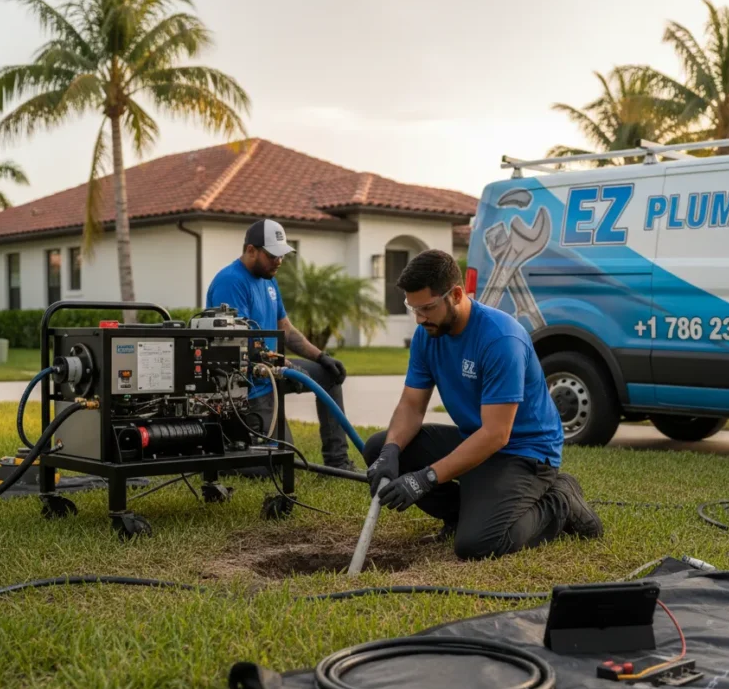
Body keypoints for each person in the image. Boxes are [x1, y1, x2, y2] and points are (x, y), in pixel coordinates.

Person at [363, 249, 603, 560]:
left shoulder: (501, 339)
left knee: (478, 544)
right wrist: (390, 452)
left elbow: (496, 435)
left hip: (523, 452)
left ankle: (561, 500)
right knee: (378, 446)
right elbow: (411, 406)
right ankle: (462, 514)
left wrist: (426, 478)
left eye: (427, 308)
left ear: (457, 294)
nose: (419, 319)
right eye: (413, 308)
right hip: (475, 440)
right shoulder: (428, 334)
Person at [205, 218, 357, 472]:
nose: (279, 261)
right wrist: (285, 365)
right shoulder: (230, 282)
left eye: (282, 255)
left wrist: (321, 357)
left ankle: (338, 461)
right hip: (246, 386)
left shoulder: (268, 279)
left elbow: (284, 328)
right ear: (251, 250)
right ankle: (221, 461)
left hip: (272, 373)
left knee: (329, 376)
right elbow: (237, 342)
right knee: (278, 467)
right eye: (272, 255)